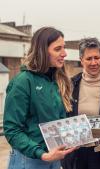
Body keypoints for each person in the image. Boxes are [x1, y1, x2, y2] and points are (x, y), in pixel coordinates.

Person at [3, 27, 76, 169]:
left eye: (64, 48)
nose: (64, 53)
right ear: (42, 51)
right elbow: (12, 129)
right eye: (58, 49)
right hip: (30, 160)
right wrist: (42, 154)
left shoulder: (58, 80)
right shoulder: (23, 82)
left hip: (54, 158)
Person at [61, 37, 100, 169]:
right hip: (77, 153)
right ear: (81, 60)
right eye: (88, 58)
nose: (93, 62)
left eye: (97, 58)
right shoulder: (70, 85)